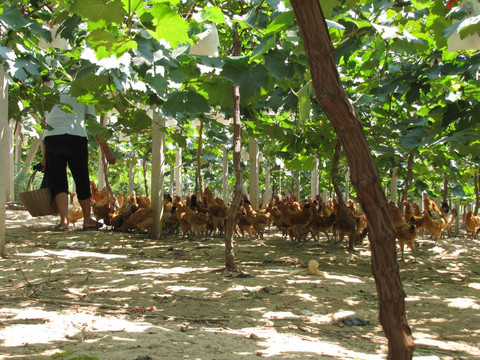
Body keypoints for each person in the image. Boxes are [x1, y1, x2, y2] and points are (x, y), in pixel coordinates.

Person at [42, 90, 116, 231]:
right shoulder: (85, 93)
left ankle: (64, 222)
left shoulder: (51, 94)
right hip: (75, 137)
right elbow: (92, 126)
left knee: (59, 181)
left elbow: (46, 129)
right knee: (81, 178)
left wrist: (44, 160)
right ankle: (87, 220)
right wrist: (107, 152)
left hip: (53, 138)